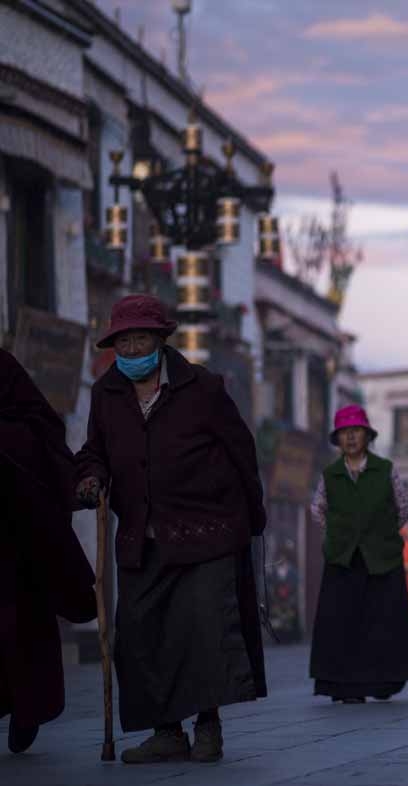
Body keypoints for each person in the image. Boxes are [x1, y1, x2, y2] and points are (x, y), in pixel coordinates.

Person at [74, 294, 267, 764]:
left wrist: (251, 517)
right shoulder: (106, 393)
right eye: (124, 340)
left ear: (161, 340)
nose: (132, 347)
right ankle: (167, 732)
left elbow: (241, 450)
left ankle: (207, 726)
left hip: (208, 530)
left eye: (141, 337)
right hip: (143, 534)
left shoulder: (202, 387)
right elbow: (94, 449)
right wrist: (90, 476)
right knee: (142, 635)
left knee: (204, 630)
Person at [1, 349, 97, 754]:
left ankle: (28, 712)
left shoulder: (6, 375)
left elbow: (41, 430)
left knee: (22, 630)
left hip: (17, 540)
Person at [309, 405, 408, 704]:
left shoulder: (385, 469)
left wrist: (380, 534)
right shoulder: (330, 474)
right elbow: (318, 509)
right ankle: (346, 687)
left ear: (367, 435)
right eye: (345, 432)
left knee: (381, 623)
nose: (351, 437)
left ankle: (382, 683)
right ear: (338, 439)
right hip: (342, 559)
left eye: (356, 431)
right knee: (343, 624)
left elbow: (403, 507)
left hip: (382, 558)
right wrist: (338, 535)